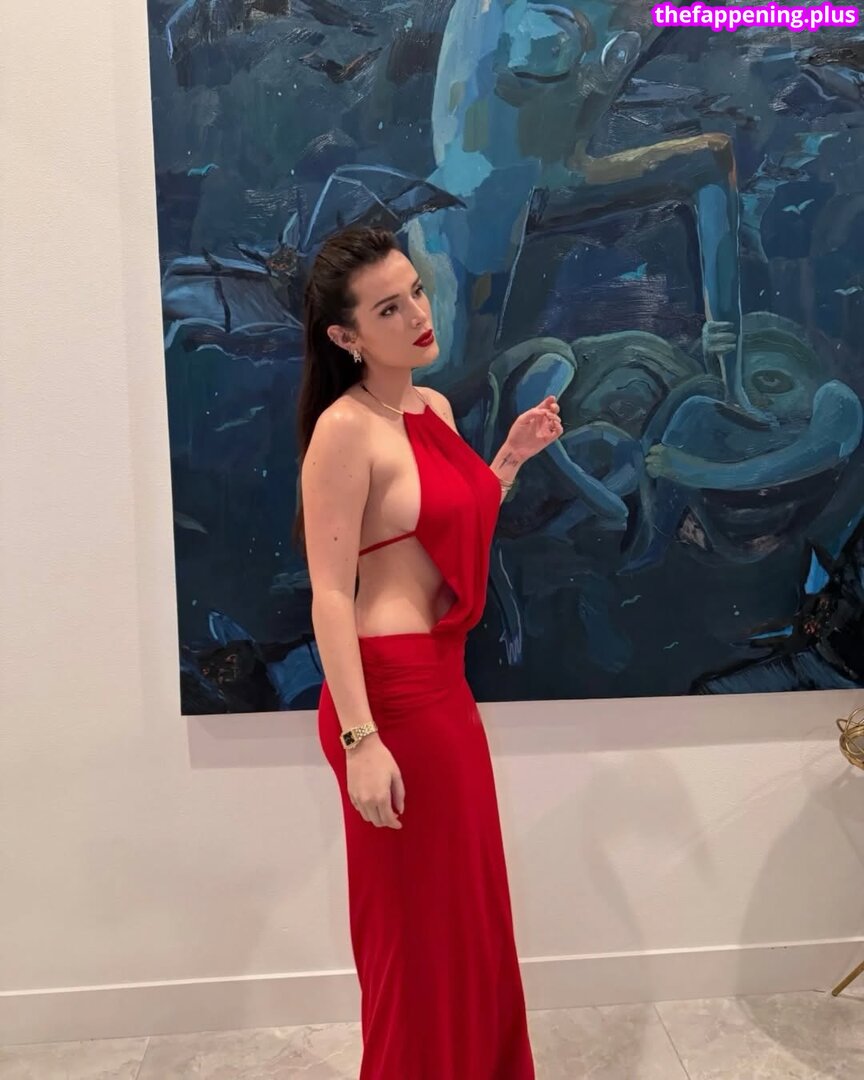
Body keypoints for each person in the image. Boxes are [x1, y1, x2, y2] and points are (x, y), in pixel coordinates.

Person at [293, 225, 562, 1079]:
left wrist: (510, 457)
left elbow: (450, 529)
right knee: (410, 941)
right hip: (387, 703)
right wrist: (360, 740)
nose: (418, 314)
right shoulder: (344, 430)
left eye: (414, 290)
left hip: (445, 694)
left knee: (468, 924)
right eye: (388, 308)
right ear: (346, 336)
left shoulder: (431, 410)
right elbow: (329, 592)